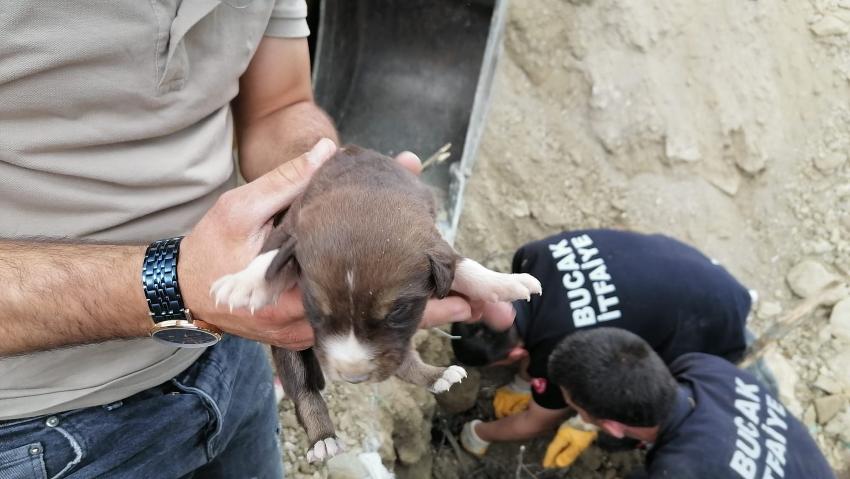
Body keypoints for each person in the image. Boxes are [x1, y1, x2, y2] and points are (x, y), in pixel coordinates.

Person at [0, 2, 512, 477]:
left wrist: (332, 184)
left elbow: (278, 104)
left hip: (233, 344)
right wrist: (174, 285)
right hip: (42, 427)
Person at [454, 229, 758, 468]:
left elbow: (538, 421)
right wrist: (524, 384)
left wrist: (478, 433)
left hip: (712, 323)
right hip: (693, 271)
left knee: (635, 411)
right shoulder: (532, 258)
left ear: (517, 355)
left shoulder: (562, 346)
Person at [548, 328, 835, 478]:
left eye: (577, 410)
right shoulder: (705, 367)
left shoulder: (680, 470)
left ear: (613, 426)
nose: (578, 416)